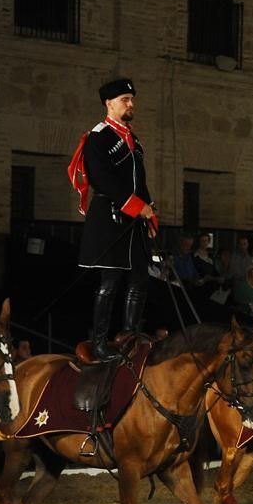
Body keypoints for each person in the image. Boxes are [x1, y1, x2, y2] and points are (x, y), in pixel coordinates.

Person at [67, 78, 158, 360]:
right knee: (110, 281)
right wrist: (136, 206)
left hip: (134, 220)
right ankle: (98, 341)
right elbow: (102, 179)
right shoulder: (99, 137)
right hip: (110, 217)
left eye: (131, 99)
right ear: (109, 103)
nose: (131, 105)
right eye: (125, 100)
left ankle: (130, 337)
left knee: (139, 279)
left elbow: (138, 180)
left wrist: (149, 210)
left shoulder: (133, 138)